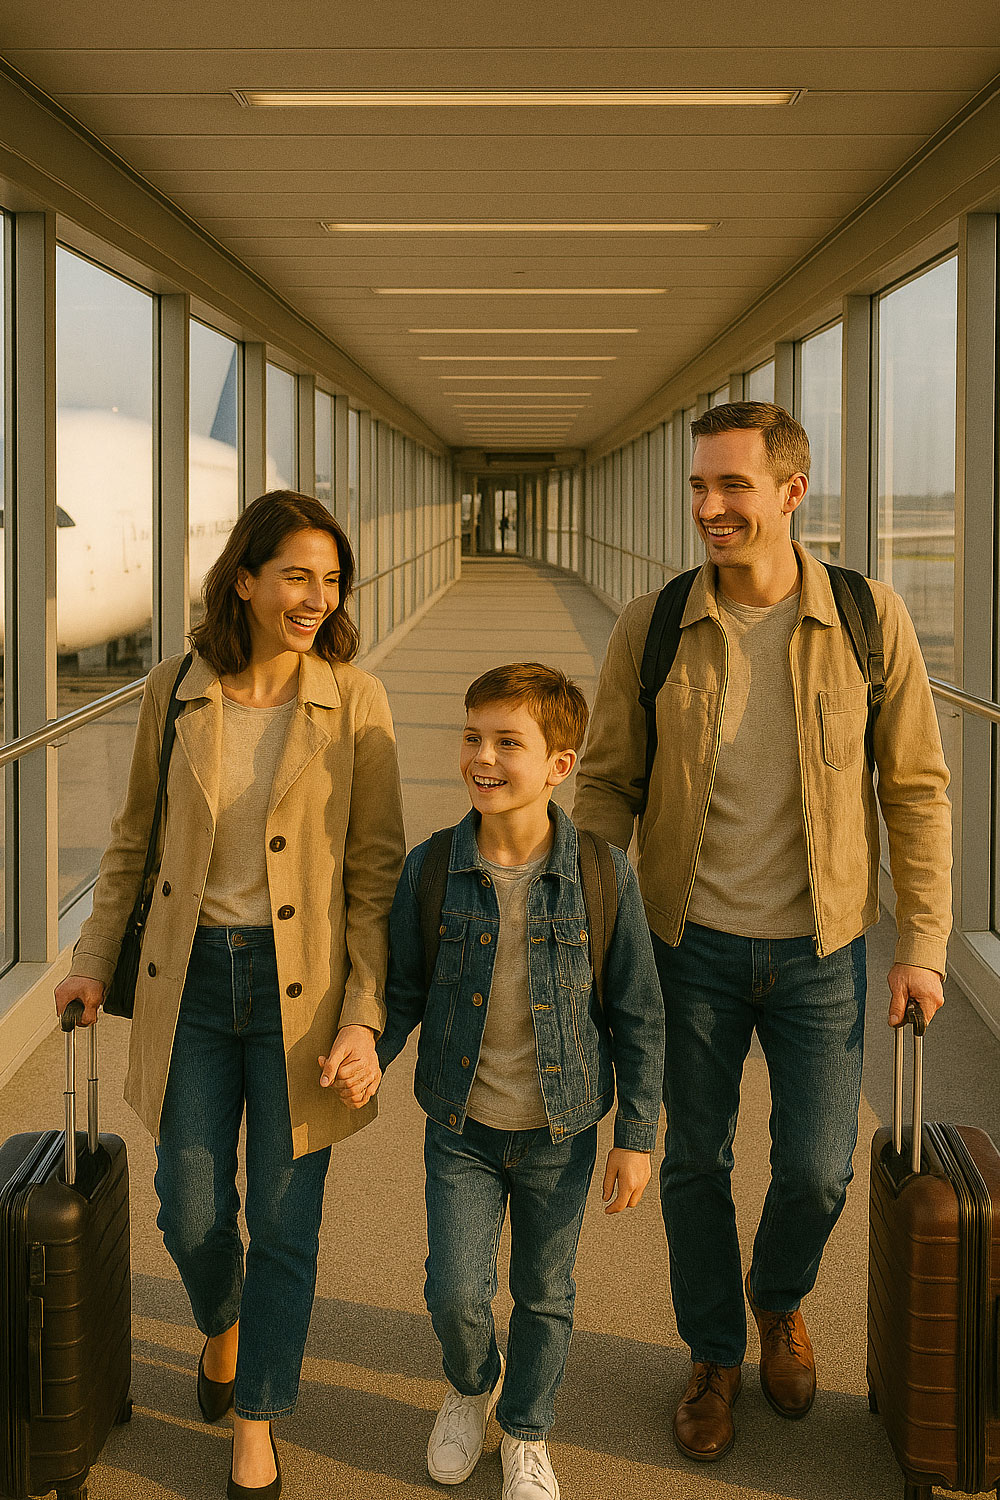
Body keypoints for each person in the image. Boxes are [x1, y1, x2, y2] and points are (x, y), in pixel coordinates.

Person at [573, 402, 952, 1462]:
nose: (710, 506)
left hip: (821, 949)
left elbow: (916, 789)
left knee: (818, 1169)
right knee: (693, 1161)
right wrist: (590, 932)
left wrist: (923, 944)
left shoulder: (867, 620)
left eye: (732, 485)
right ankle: (713, 1353)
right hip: (683, 944)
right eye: (700, 485)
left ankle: (777, 1300)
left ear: (792, 492)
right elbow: (605, 787)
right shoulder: (653, 625)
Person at [54, 490, 405, 1499]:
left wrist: (365, 1012)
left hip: (306, 997)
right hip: (194, 983)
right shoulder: (176, 689)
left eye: (330, 580)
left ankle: (257, 1422)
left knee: (286, 1227)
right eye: (296, 575)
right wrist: (90, 957)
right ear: (244, 580)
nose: (316, 597)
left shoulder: (356, 700)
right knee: (191, 1209)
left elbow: (374, 874)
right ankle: (223, 1324)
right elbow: (132, 840)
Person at [373, 663, 665, 1500]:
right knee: (454, 1292)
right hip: (460, 1125)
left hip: (559, 1131)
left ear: (559, 766)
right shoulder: (433, 868)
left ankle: (528, 1431)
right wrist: (366, 1053)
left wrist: (636, 1138)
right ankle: (472, 1387)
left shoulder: (602, 875)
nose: (483, 757)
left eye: (508, 742)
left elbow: (639, 1015)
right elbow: (402, 991)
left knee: (545, 1292)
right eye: (473, 737)